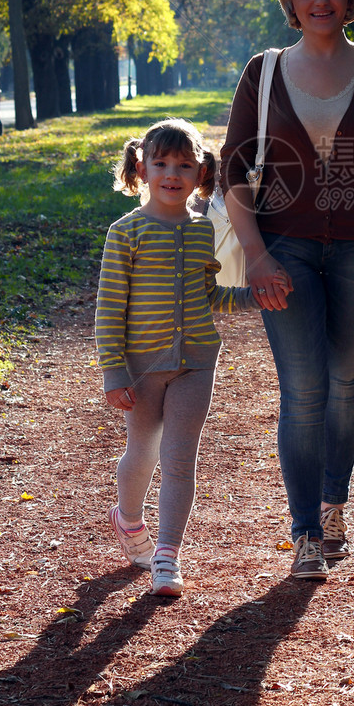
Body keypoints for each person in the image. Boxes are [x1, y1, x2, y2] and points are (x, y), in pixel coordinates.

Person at [220, 0, 354, 581]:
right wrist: (255, 256)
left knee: (344, 383)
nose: (319, 1)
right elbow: (233, 168)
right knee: (304, 391)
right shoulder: (265, 71)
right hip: (285, 250)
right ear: (290, 1)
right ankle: (305, 529)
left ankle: (335, 503)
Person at [95, 118, 283, 597]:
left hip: (197, 361)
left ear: (202, 173)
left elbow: (210, 296)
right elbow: (109, 309)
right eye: (161, 163)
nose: (171, 173)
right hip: (142, 368)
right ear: (142, 168)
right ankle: (130, 518)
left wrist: (253, 297)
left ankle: (166, 556)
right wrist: (114, 372)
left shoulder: (204, 232)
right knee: (143, 451)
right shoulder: (126, 233)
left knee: (180, 457)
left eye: (184, 164)